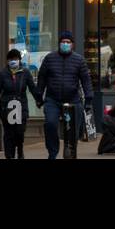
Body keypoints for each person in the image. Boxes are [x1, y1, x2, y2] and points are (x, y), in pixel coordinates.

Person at [36, 30, 93, 159]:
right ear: (59, 43)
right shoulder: (50, 58)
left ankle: (70, 154)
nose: (65, 44)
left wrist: (88, 99)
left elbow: (86, 80)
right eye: (63, 42)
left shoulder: (79, 60)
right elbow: (42, 78)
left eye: (68, 42)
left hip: (73, 100)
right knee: (50, 124)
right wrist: (39, 97)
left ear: (72, 44)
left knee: (73, 131)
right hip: (53, 99)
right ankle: (52, 153)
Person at [0, 49, 43, 159]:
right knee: (8, 134)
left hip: (21, 106)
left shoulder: (25, 72)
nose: (13, 61)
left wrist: (39, 99)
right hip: (7, 107)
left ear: (19, 60)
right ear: (8, 61)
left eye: (16, 59)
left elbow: (32, 88)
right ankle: (9, 155)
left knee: (19, 132)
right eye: (11, 59)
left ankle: (20, 150)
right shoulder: (3, 73)